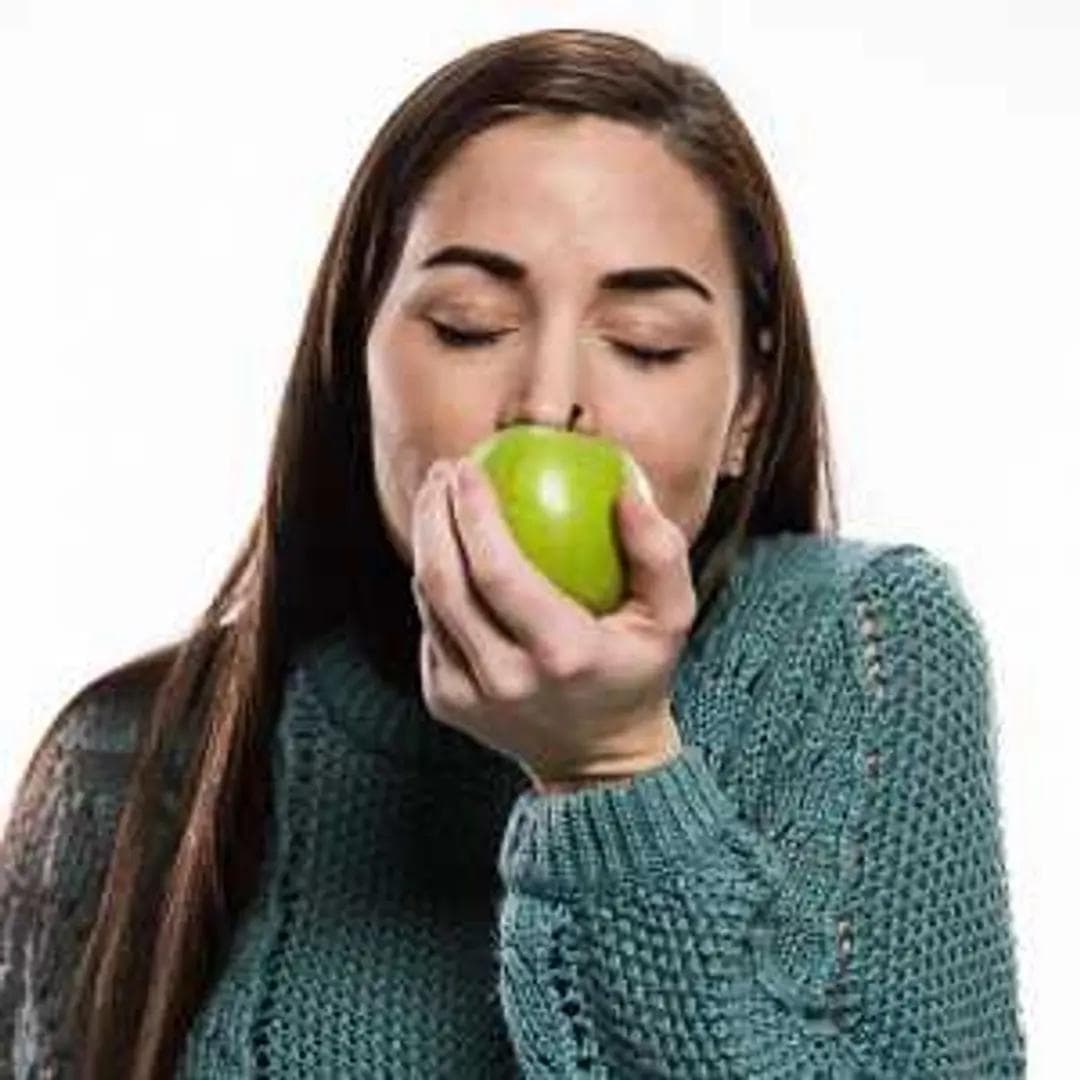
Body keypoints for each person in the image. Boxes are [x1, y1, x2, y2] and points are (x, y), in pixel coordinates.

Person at [0, 26, 1028, 1079]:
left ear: (749, 411)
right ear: (357, 361)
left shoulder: (862, 649)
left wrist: (610, 767)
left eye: (646, 345)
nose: (546, 403)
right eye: (468, 325)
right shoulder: (135, 752)